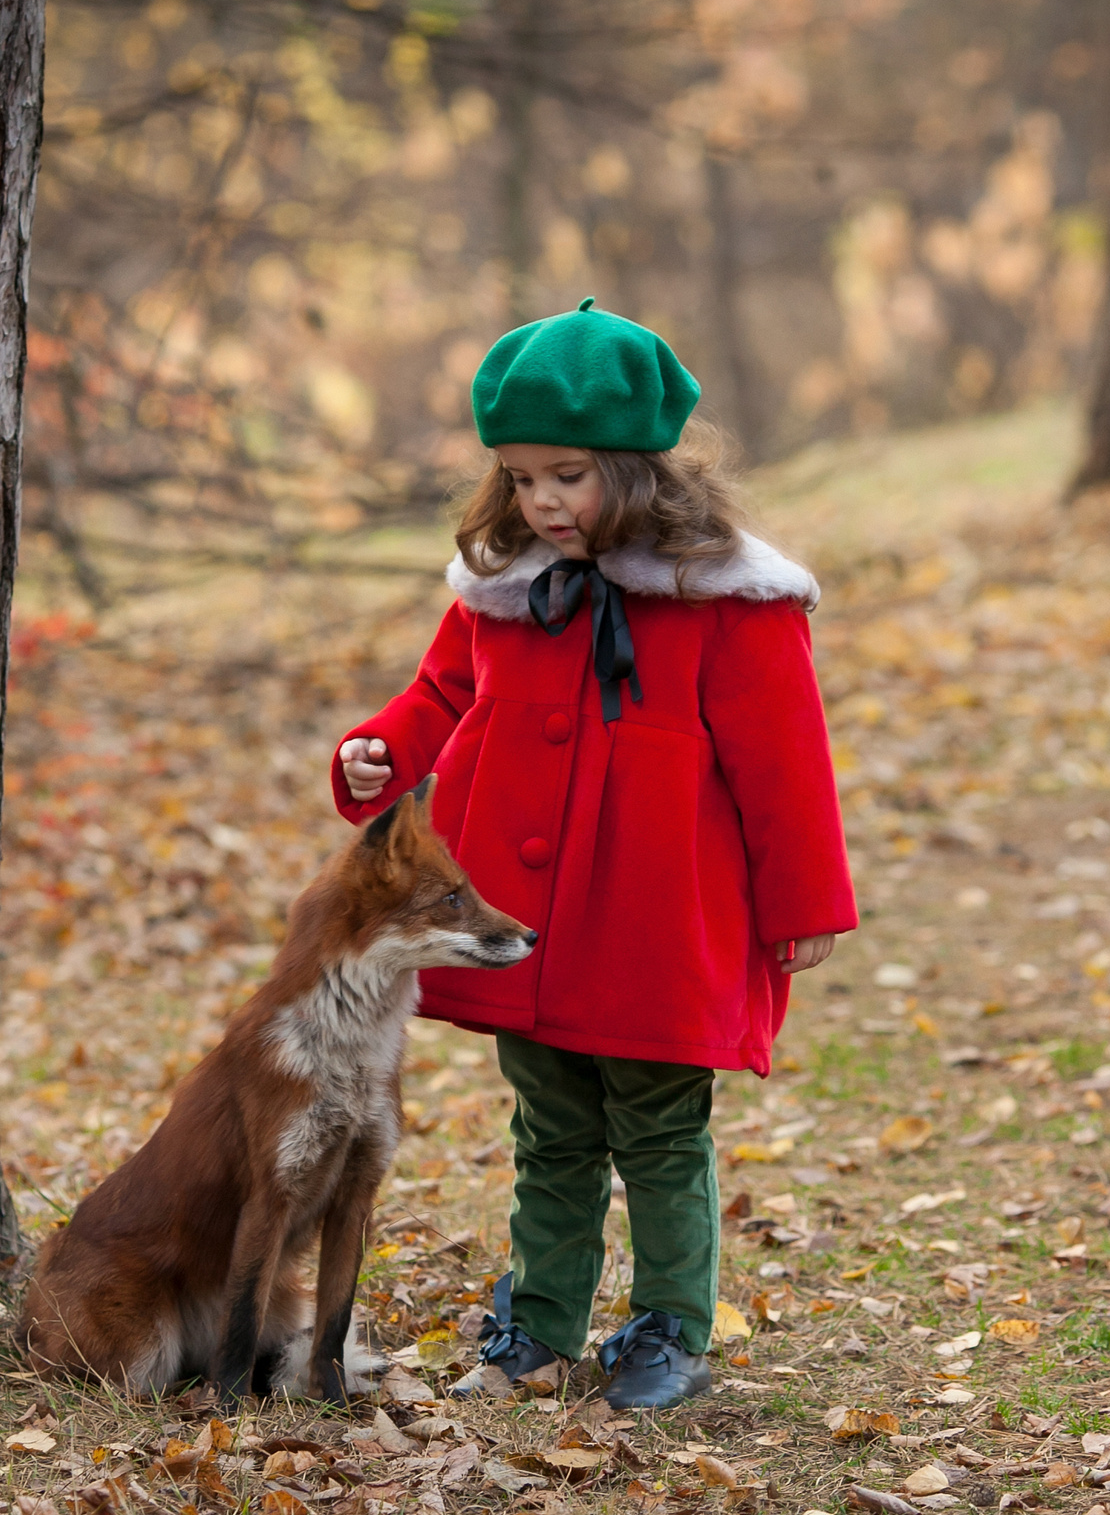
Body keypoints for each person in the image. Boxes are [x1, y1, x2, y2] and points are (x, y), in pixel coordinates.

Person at [329, 299, 856, 1410]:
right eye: (521, 478)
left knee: (659, 1127)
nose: (542, 501)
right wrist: (378, 752)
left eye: (566, 474)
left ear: (636, 465)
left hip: (660, 915)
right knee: (549, 1123)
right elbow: (439, 693)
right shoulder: (505, 591)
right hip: (525, 915)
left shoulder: (728, 603)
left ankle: (668, 1329)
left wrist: (798, 905)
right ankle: (538, 1327)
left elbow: (785, 763)